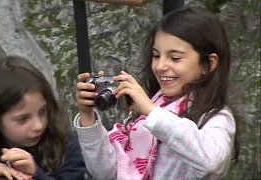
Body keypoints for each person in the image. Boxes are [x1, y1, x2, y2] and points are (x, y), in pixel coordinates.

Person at [73, 6, 240, 180]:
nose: (160, 66)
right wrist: (88, 116)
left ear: (208, 64)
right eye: (156, 55)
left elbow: (211, 163)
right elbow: (105, 172)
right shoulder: (150, 109)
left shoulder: (216, 116)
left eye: (175, 58)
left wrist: (151, 111)